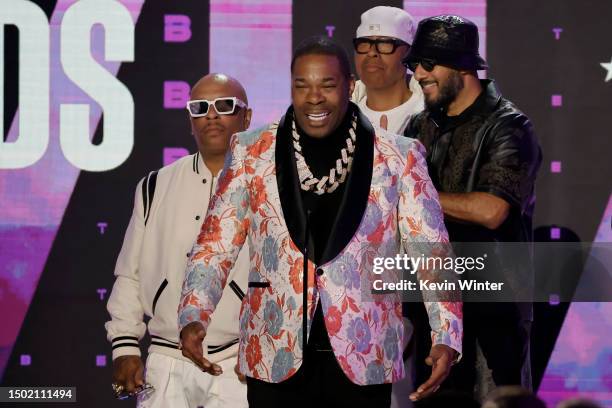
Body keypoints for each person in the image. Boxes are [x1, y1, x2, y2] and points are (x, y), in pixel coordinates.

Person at [178, 36, 462, 408]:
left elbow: (432, 252)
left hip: (365, 348)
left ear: (350, 86)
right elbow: (217, 241)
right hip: (274, 344)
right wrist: (194, 313)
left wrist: (447, 334)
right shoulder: (251, 150)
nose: (314, 97)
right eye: (302, 85)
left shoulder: (399, 156)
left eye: (327, 85)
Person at [404, 15, 542, 399]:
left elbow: (491, 209)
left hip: (493, 312)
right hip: (432, 313)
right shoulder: (418, 127)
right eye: (413, 64)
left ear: (464, 66)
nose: (418, 73)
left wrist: (414, 195)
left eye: (428, 63)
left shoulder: (509, 126)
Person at [105, 73, 252, 407]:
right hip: (165, 360)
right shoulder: (155, 186)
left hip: (237, 363)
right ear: (190, 121)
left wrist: (267, 348)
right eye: (200, 108)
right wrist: (125, 345)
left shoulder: (271, 187)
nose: (211, 115)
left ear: (247, 117)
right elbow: (131, 273)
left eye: (225, 105)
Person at [351, 6, 424, 134]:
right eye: (364, 43)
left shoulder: (433, 119)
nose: (372, 52)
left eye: (385, 44)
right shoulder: (340, 118)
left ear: (409, 53)